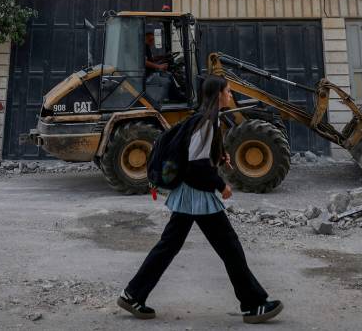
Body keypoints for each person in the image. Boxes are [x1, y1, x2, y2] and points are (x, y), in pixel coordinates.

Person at [117, 75, 283, 325]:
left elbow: (198, 154)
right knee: (230, 247)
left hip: (190, 195)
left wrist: (220, 155)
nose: (231, 95)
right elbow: (196, 166)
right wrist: (220, 185)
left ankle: (133, 294)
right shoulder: (207, 123)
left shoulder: (207, 120)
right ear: (218, 95)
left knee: (170, 246)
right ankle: (254, 304)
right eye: (228, 91)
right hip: (196, 194)